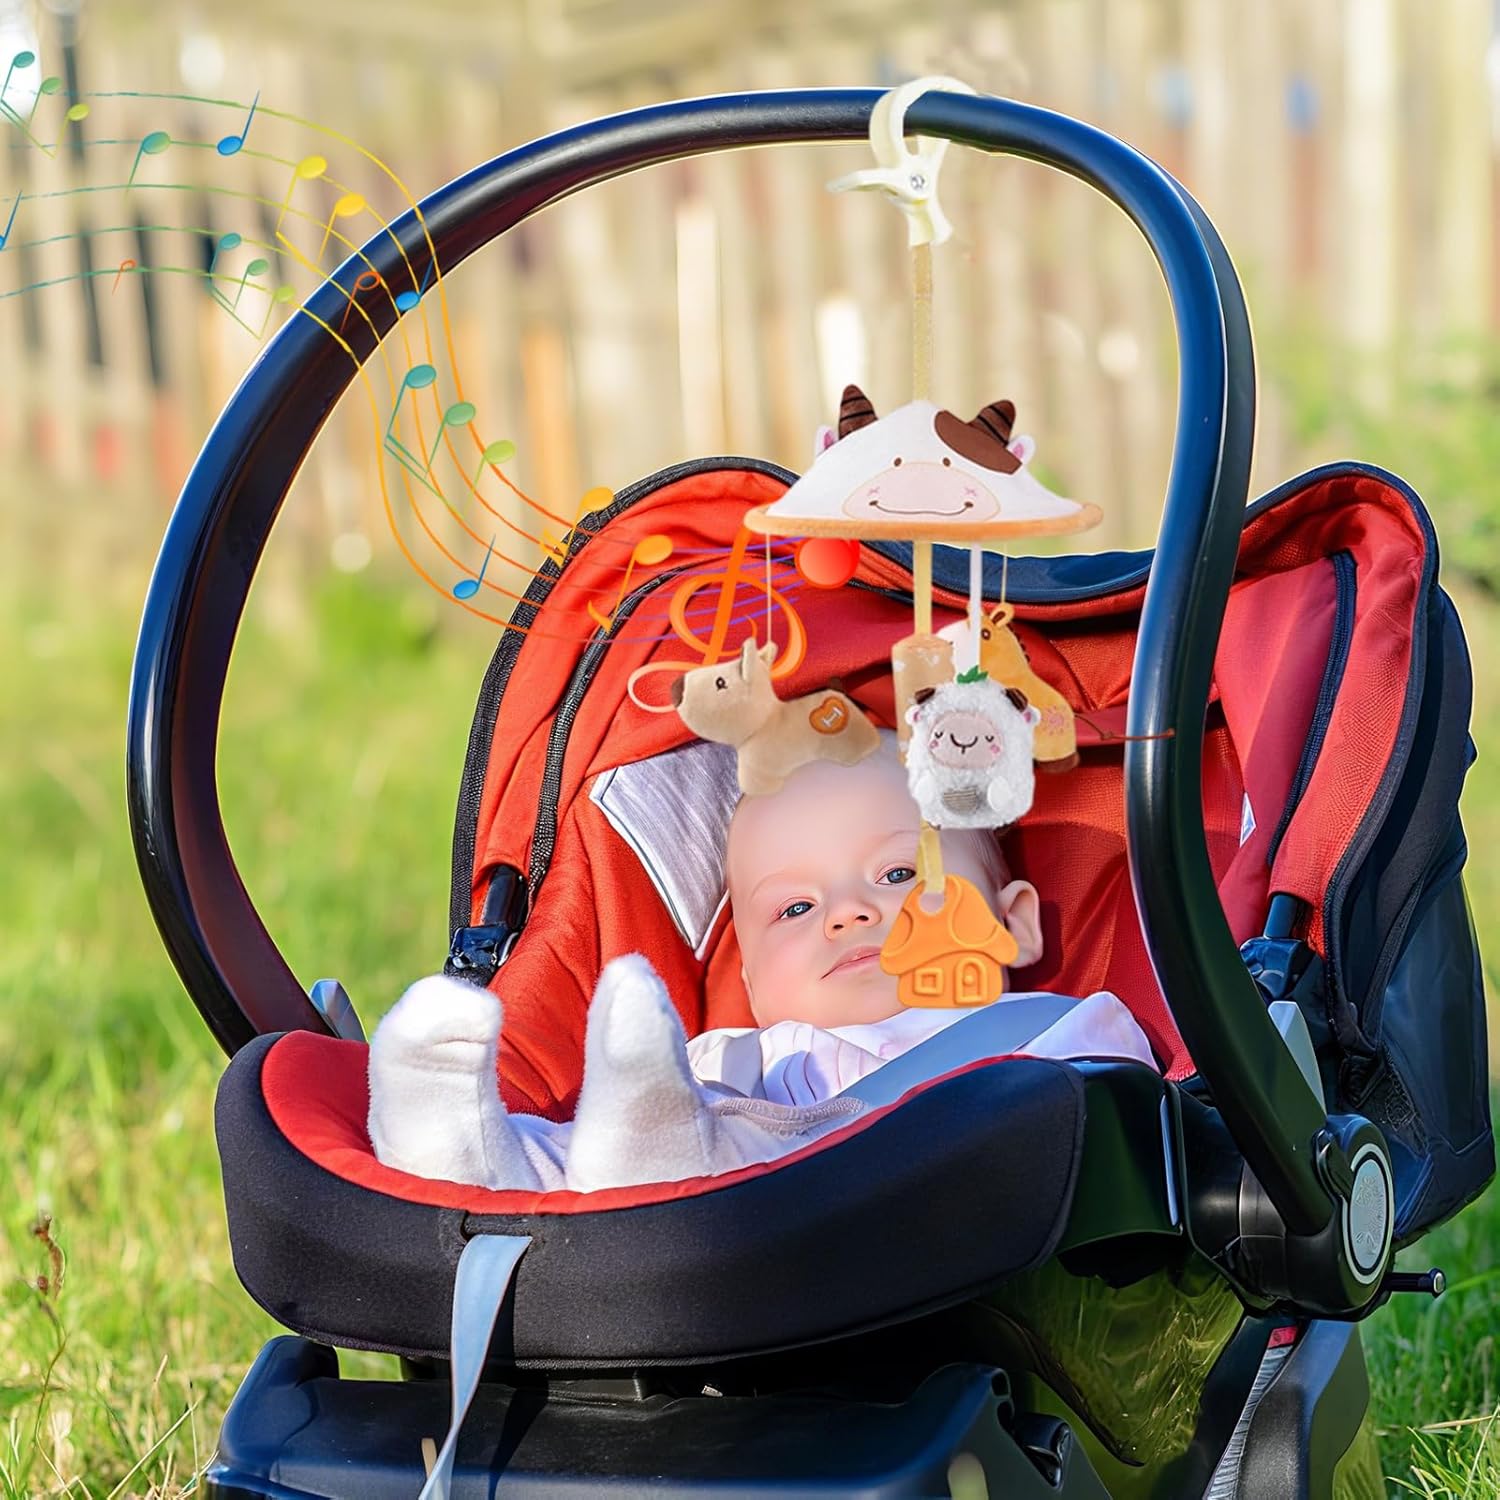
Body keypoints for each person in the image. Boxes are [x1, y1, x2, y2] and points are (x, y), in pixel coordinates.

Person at [367, 735, 1154, 1193]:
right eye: (796, 910)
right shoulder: (718, 1060)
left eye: (897, 873)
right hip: (700, 1206)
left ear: (1013, 924)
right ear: (751, 983)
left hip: (888, 1216)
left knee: (706, 1143)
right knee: (577, 1147)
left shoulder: (1055, 1031)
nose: (849, 913)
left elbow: (1116, 1128)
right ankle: (457, 1150)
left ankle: (665, 1169)